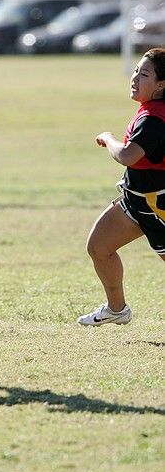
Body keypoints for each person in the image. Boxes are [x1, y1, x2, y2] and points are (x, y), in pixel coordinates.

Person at [78, 47, 165, 326]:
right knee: (99, 247)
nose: (135, 77)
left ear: (161, 85)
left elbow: (127, 155)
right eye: (136, 70)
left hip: (158, 207)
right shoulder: (149, 111)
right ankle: (117, 309)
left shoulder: (154, 119)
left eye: (145, 73)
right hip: (136, 200)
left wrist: (109, 138)